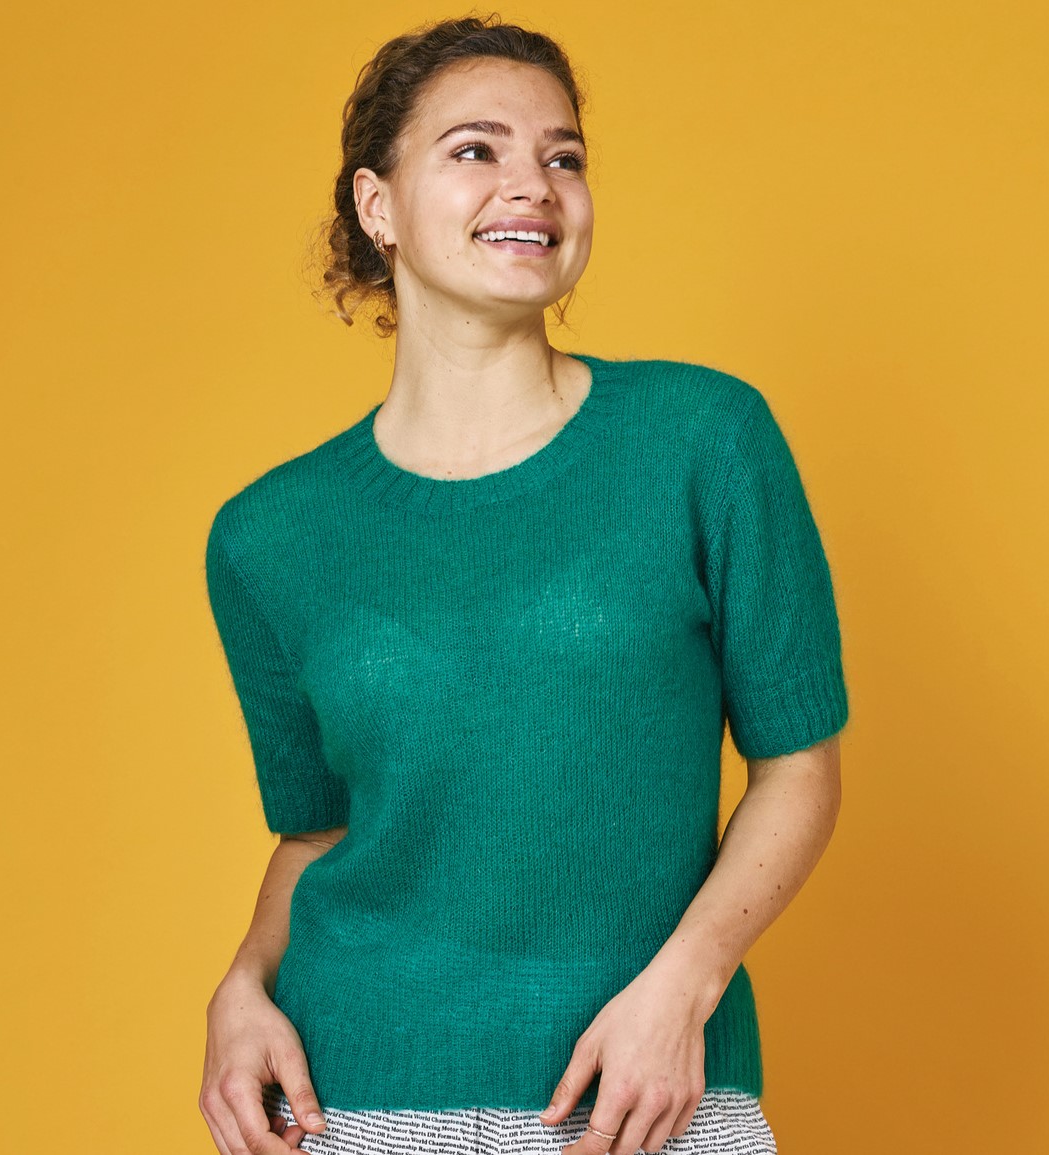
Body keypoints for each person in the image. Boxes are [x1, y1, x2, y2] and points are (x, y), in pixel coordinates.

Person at [199, 14, 849, 1155]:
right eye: (475, 149)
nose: (533, 186)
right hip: (352, 1104)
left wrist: (684, 989)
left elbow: (799, 767)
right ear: (376, 206)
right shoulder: (270, 534)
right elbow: (317, 837)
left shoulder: (701, 439)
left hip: (647, 1094)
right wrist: (243, 985)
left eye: (563, 157)